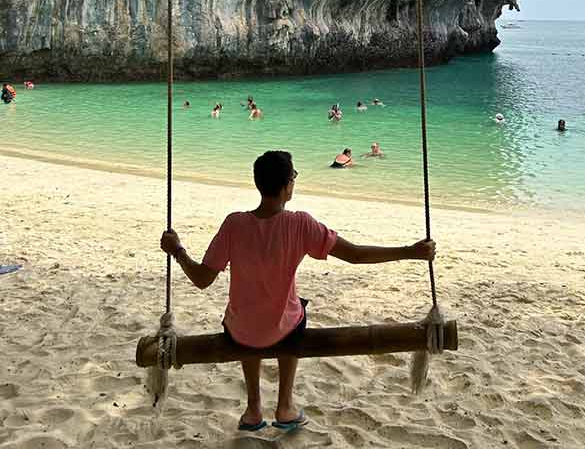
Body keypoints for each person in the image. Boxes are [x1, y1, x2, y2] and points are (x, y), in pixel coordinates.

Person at [159, 151, 435, 432]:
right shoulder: (300, 224)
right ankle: (285, 406)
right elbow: (354, 254)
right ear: (286, 186)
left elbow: (202, 278)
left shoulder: (234, 224)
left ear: (259, 184)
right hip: (283, 331)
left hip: (241, 332)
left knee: (247, 316)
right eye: (293, 176)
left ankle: (253, 410)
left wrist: (178, 251)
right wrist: (409, 251)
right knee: (294, 313)